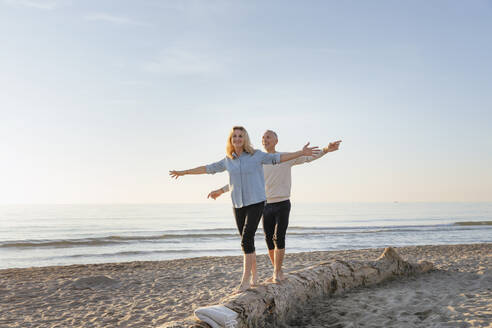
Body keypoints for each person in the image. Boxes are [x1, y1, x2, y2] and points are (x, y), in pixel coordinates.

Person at [169, 126, 320, 293]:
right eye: (235, 136)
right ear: (231, 140)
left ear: (245, 138)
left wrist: (300, 152)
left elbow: (279, 157)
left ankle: (245, 281)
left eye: (241, 136)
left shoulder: (256, 156)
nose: (238, 139)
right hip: (238, 205)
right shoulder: (228, 160)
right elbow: (207, 168)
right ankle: (254, 277)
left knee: (246, 240)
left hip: (256, 202)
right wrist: (184, 173)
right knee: (247, 242)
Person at [208, 130, 341, 283]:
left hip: (283, 203)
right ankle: (277, 269)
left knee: (280, 238)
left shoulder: (285, 157)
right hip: (264, 205)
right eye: (263, 138)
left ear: (276, 141)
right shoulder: (258, 160)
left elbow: (307, 158)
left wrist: (326, 150)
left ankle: (277, 272)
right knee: (269, 240)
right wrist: (220, 191)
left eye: (268, 137)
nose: (265, 140)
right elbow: (238, 181)